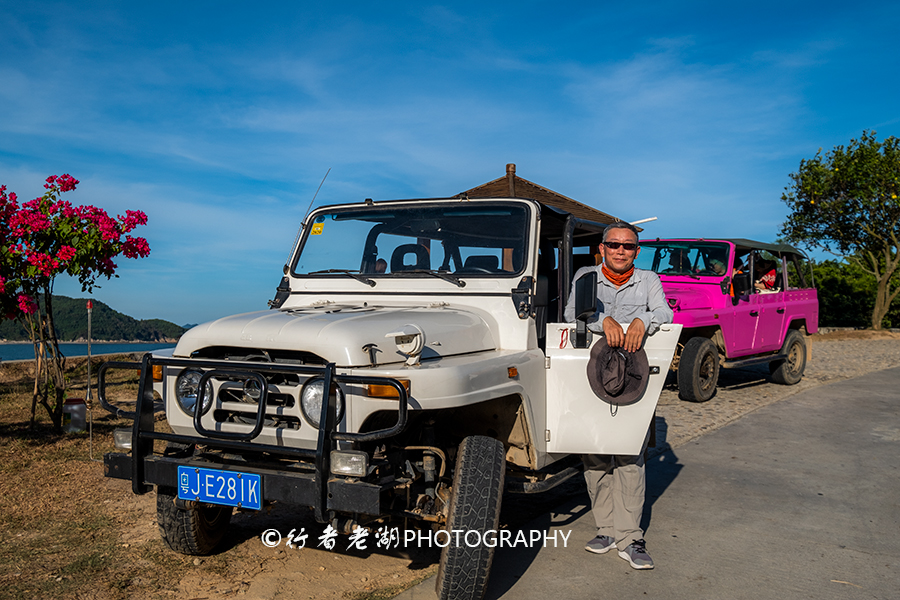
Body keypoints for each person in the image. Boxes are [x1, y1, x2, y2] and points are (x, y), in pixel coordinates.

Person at [563, 221, 673, 570]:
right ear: (602, 248)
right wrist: (602, 322)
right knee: (595, 454)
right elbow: (570, 316)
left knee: (629, 456)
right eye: (614, 245)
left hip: (633, 377)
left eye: (628, 246)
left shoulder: (649, 280)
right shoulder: (585, 276)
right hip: (593, 376)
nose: (620, 250)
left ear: (636, 251)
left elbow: (664, 313)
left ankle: (630, 537)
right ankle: (606, 529)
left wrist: (641, 321)